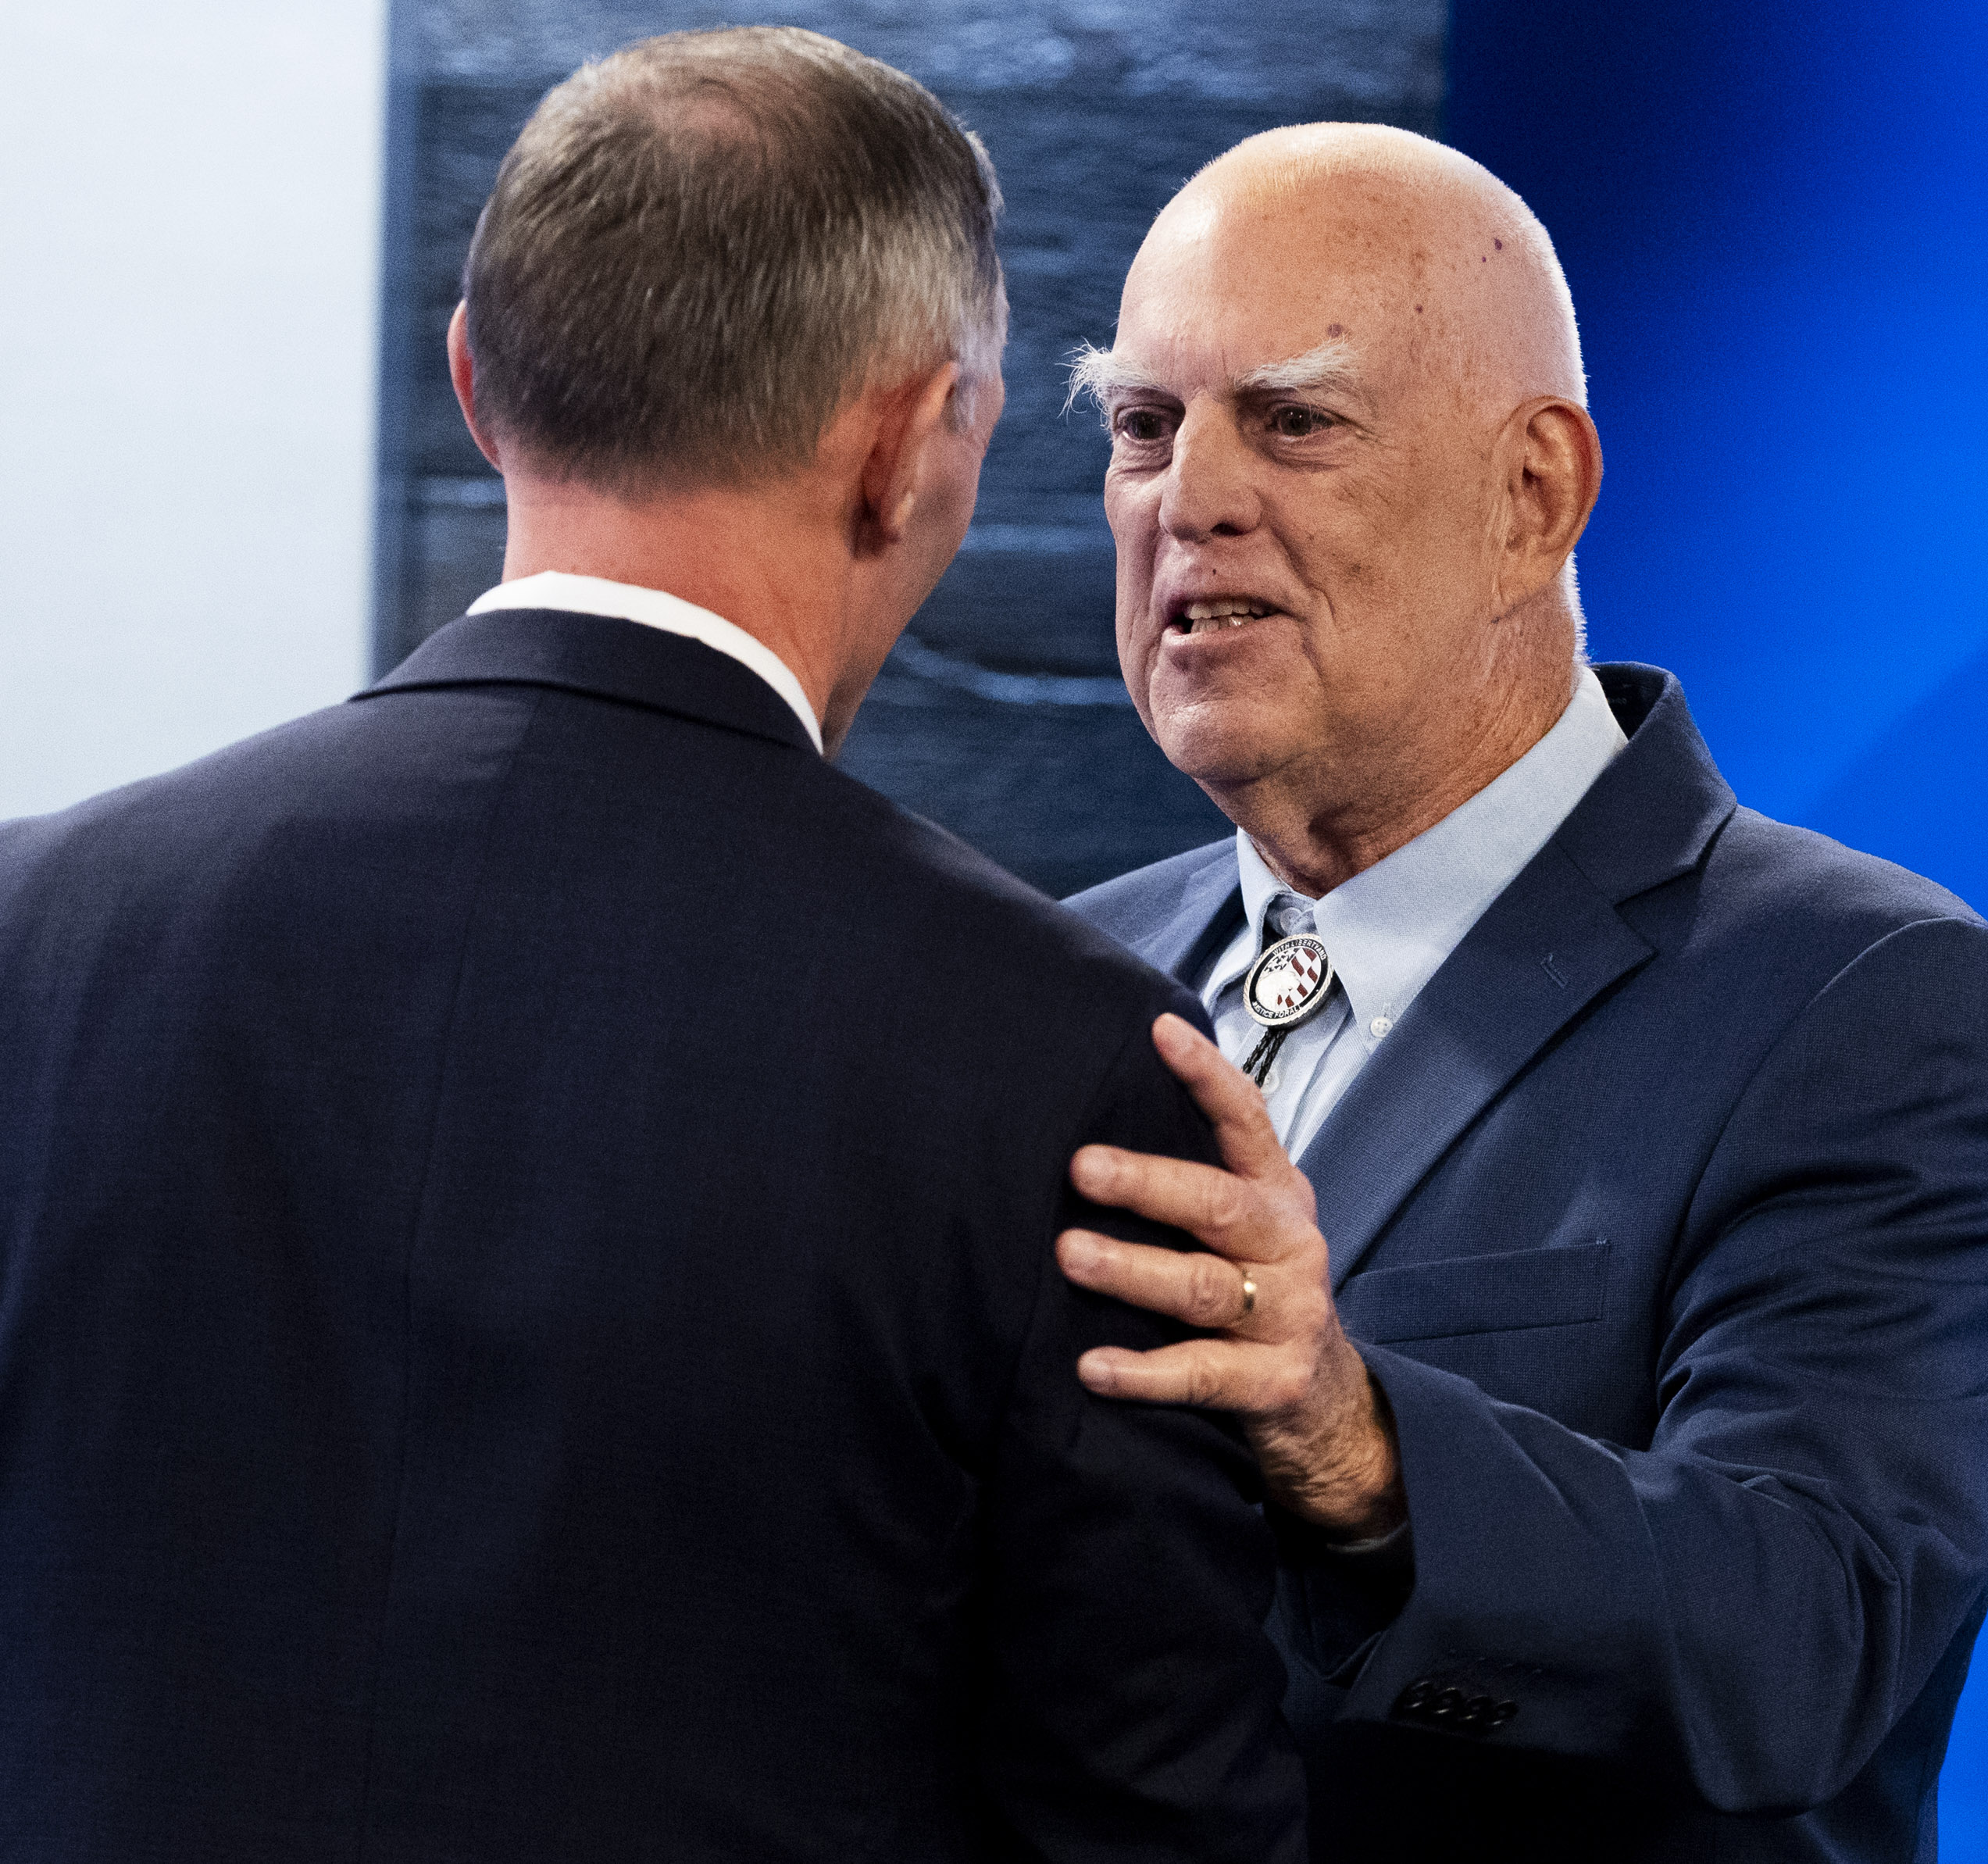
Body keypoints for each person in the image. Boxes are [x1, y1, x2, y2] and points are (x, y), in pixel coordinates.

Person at [0, 30, 1302, 1862]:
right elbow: (1152, 1819)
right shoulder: (1068, 1068)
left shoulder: (31, 934)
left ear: (474, 379)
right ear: (911, 443)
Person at [1056, 123, 1988, 1862]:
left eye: (1292, 419)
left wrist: (1359, 1447)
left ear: (1535, 493)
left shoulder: (1871, 1002)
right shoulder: (1064, 973)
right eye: (1144, 427)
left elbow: (1807, 1639)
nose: (1190, 496)